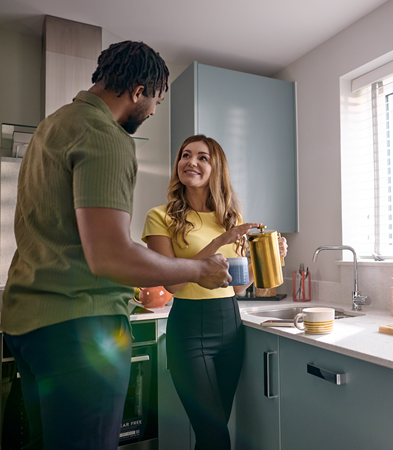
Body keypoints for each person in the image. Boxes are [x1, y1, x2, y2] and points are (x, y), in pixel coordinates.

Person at [0, 42, 231, 450]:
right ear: (138, 91)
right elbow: (111, 255)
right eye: (156, 100)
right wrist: (198, 269)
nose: (154, 111)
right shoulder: (106, 135)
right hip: (82, 327)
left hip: (30, 324)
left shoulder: (51, 127)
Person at [142, 134, 287, 449]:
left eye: (202, 157)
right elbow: (173, 283)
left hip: (229, 327)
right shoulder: (161, 217)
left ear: (216, 168)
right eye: (185, 155)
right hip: (189, 331)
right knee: (215, 437)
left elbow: (238, 286)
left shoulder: (229, 218)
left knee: (213, 434)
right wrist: (219, 242)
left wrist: (274, 256)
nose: (190, 162)